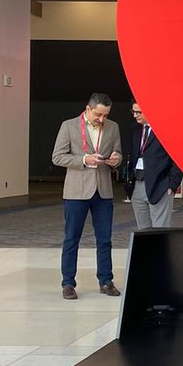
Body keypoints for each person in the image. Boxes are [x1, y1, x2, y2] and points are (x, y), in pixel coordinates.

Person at [51, 92, 122, 300]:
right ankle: (68, 283)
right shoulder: (69, 126)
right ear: (88, 109)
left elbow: (117, 152)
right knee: (72, 238)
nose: (102, 119)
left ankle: (106, 280)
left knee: (105, 239)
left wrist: (116, 159)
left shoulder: (113, 127)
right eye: (98, 115)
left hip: (103, 190)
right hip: (76, 191)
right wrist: (84, 159)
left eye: (106, 115)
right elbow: (57, 157)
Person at [128, 103, 182, 228]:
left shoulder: (166, 129)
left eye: (139, 112)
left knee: (160, 231)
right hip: (138, 184)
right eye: (133, 111)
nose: (135, 115)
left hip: (160, 185)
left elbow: (177, 158)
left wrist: (172, 185)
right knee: (143, 232)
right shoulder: (135, 129)